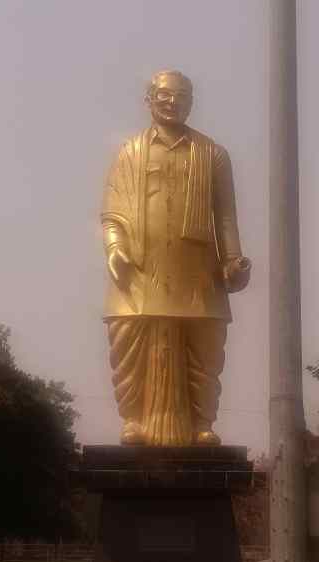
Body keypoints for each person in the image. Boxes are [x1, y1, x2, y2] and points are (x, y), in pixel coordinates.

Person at [101, 69, 251, 446]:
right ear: (149, 99)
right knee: (128, 344)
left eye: (182, 96)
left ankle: (202, 423)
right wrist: (115, 248)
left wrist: (232, 259)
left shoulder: (213, 154)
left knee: (204, 352)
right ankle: (133, 419)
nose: (173, 102)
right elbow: (113, 214)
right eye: (165, 95)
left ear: (192, 103)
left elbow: (226, 216)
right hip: (139, 269)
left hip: (196, 270)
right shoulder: (130, 151)